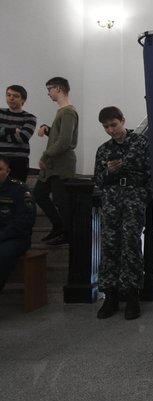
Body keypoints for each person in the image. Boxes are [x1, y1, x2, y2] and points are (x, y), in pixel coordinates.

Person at [93, 106, 151, 320]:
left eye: (114, 125)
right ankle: (110, 296)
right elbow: (98, 180)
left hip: (134, 198)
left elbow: (151, 173)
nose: (111, 130)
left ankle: (132, 296)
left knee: (131, 245)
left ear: (123, 121)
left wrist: (144, 196)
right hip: (111, 200)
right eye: (106, 127)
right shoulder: (103, 150)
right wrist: (109, 172)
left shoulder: (141, 143)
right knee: (109, 246)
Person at [32, 77, 78, 246]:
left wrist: (45, 155)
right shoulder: (63, 112)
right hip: (54, 164)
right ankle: (59, 226)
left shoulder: (68, 112)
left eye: (50, 89)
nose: (48, 93)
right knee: (39, 194)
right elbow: (60, 136)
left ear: (58, 88)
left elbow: (65, 141)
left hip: (61, 164)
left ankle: (67, 233)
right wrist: (48, 130)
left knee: (61, 201)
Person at [0, 156, 36, 292]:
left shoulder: (20, 190)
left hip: (15, 238)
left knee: (2, 254)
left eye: (0, 169)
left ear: (8, 171)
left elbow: (25, 221)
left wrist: (2, 236)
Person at [0, 85, 37, 182]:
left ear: (23, 99)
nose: (11, 98)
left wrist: (2, 134)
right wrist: (12, 130)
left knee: (17, 188)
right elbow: (18, 137)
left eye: (15, 96)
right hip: (0, 159)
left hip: (19, 160)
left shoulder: (30, 118)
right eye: (8, 95)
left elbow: (23, 138)